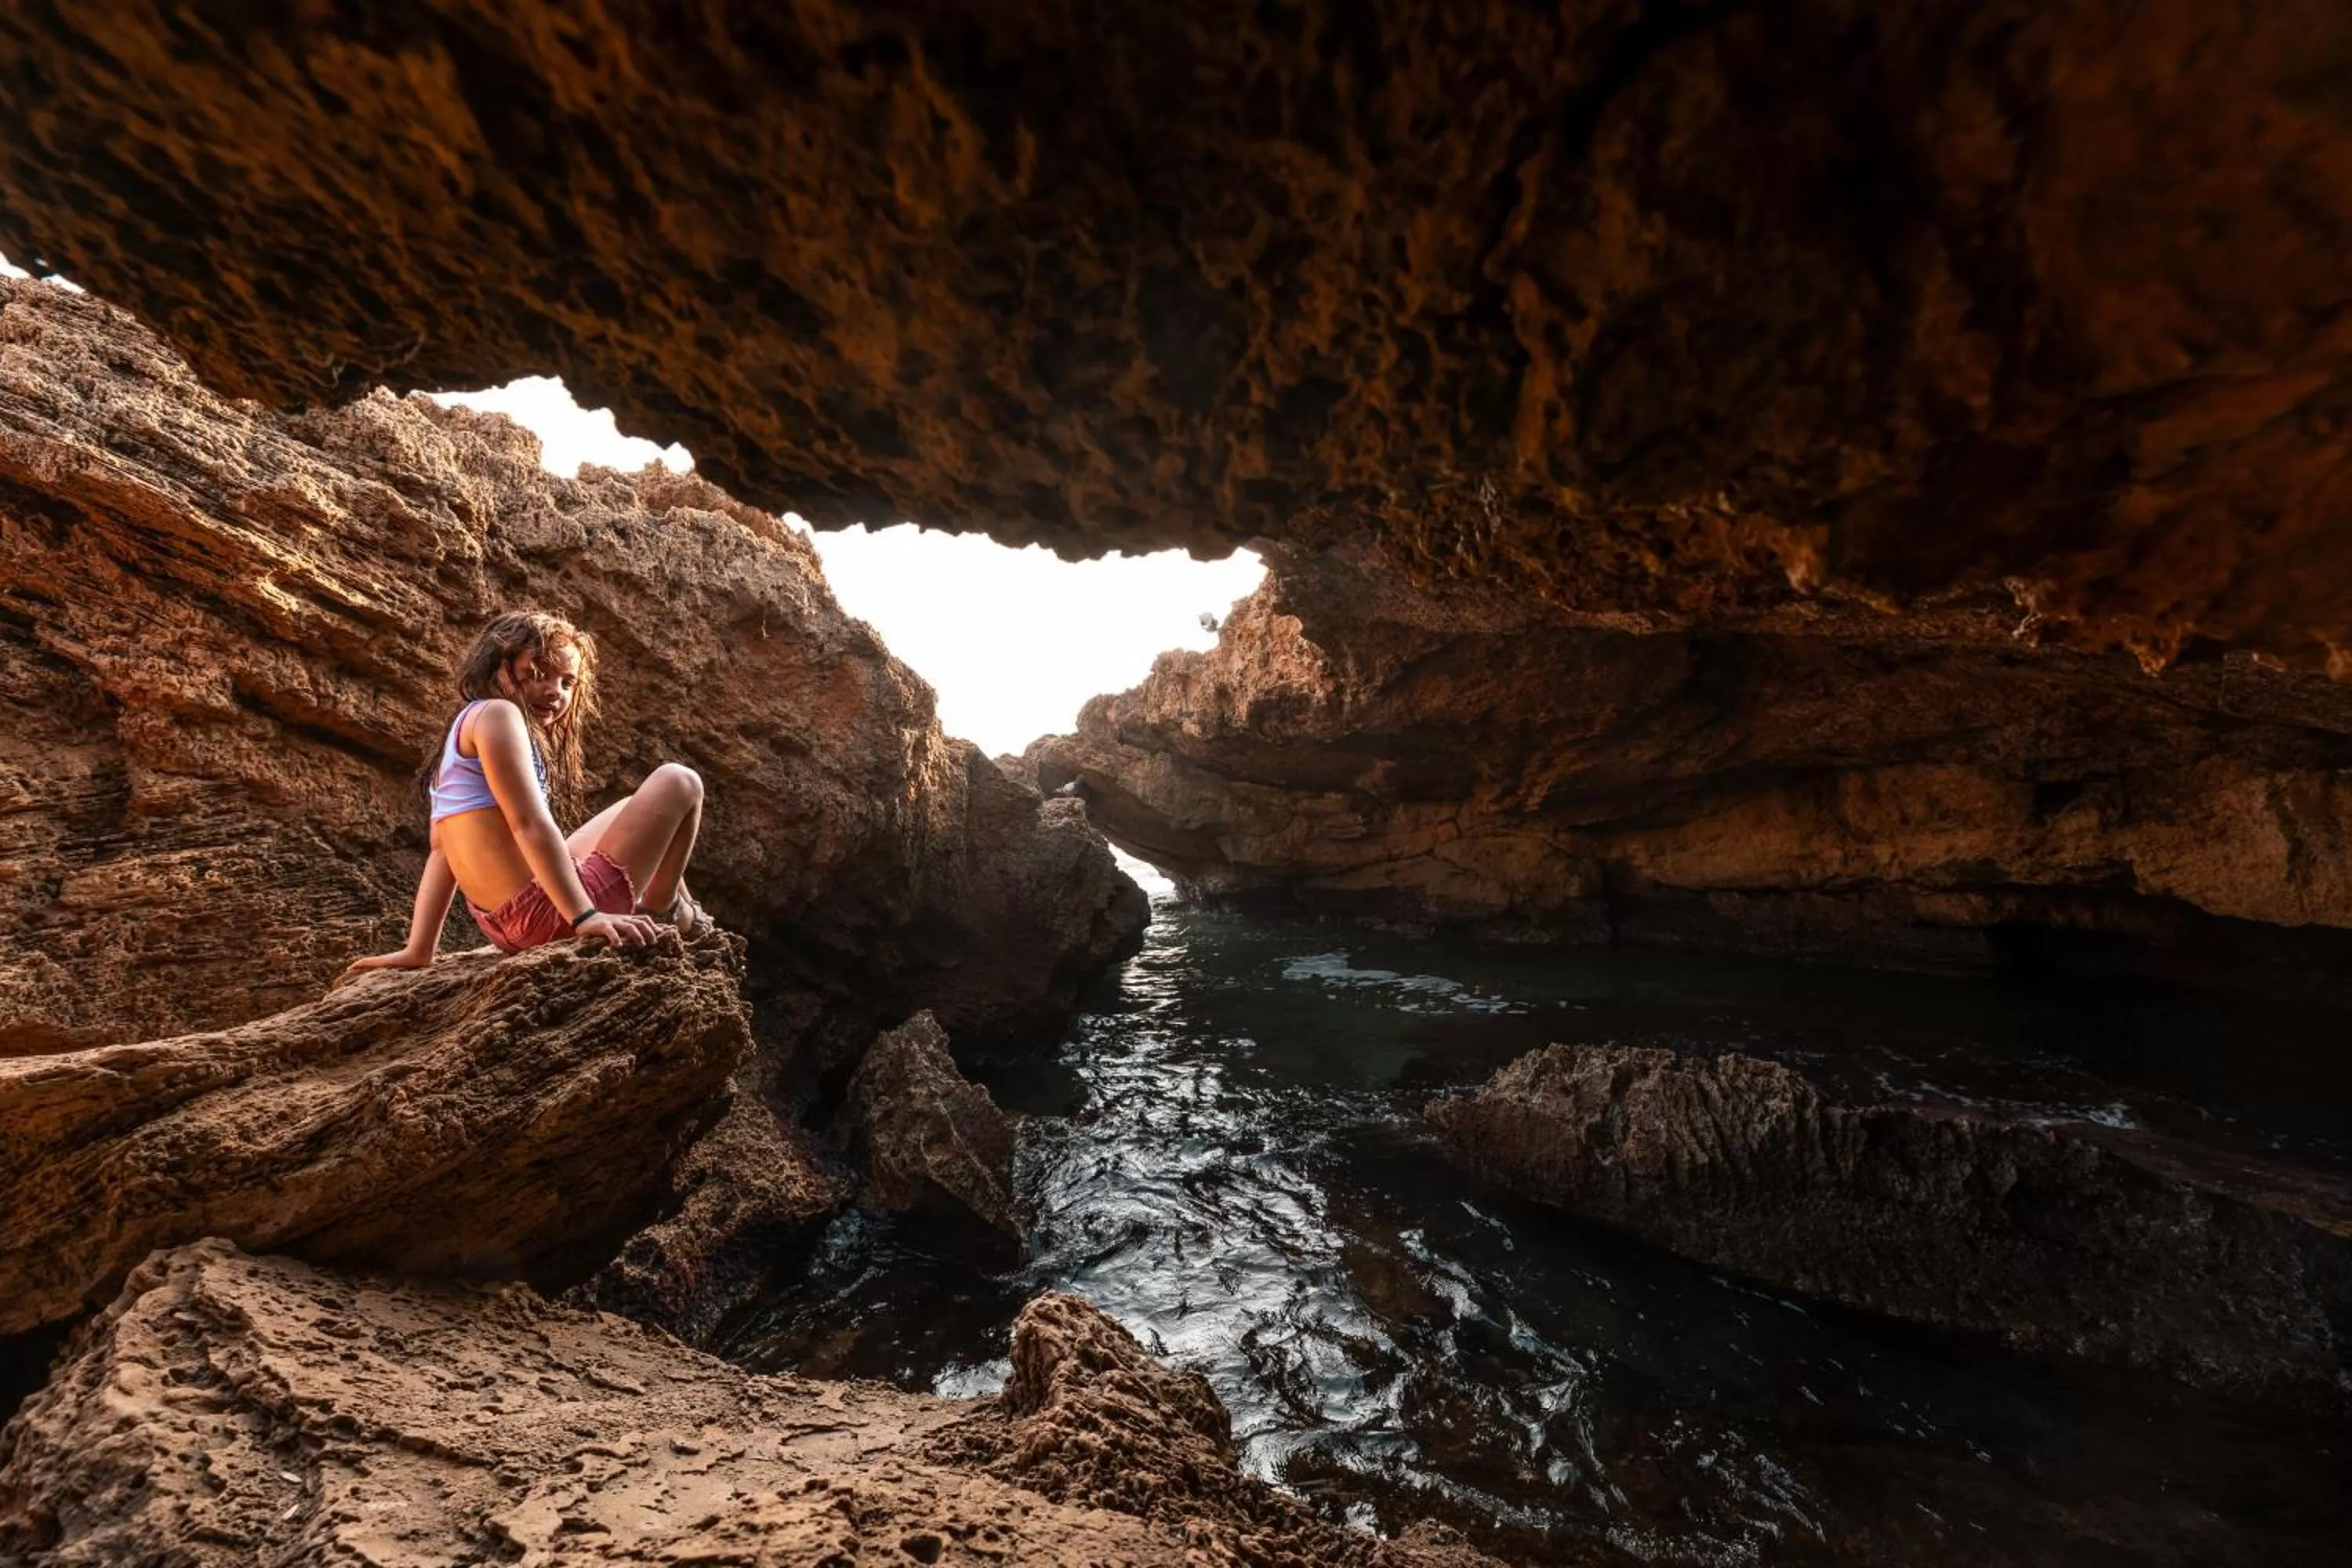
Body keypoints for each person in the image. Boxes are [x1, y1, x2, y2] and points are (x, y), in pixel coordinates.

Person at [345, 610, 710, 972]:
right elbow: (529, 823)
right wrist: (585, 916)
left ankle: (681, 907)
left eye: (568, 683)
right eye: (538, 675)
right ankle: (665, 910)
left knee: (636, 807)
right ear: (496, 668)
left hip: (503, 927)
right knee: (680, 781)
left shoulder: (462, 732)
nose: (555, 691)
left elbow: (442, 851)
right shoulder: (499, 715)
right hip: (549, 917)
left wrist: (419, 949)